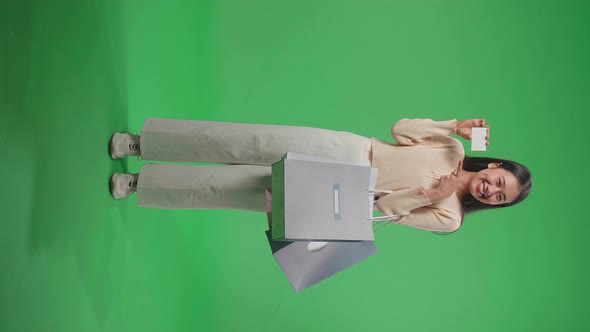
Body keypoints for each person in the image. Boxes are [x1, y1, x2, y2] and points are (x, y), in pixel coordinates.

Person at [108, 118, 532, 233]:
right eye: (499, 182)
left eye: (500, 198)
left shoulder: (450, 217)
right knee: (245, 141)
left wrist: (428, 194)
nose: (491, 190)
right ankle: (143, 143)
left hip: (345, 193)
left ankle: (140, 185)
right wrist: (451, 125)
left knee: (235, 190)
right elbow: (401, 130)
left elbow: (385, 210)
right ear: (494, 166)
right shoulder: (453, 148)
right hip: (347, 149)